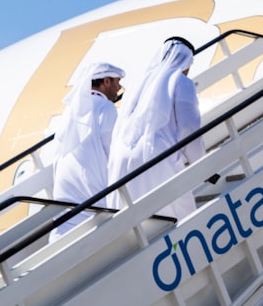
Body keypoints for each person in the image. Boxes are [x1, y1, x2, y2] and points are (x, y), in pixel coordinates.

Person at [107, 37, 204, 220]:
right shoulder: (181, 82)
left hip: (121, 160)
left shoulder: (138, 85)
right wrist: (201, 163)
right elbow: (189, 130)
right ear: (186, 61)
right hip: (155, 158)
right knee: (178, 218)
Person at [50, 62, 125, 240]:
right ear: (106, 81)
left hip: (66, 215)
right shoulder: (105, 108)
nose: (119, 87)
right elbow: (114, 155)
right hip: (95, 209)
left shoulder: (70, 113)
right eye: (117, 81)